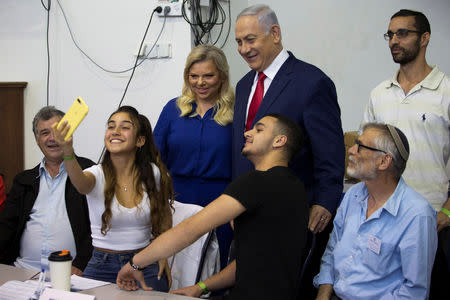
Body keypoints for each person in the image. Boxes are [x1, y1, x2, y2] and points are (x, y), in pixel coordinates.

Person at [116, 114, 309, 300]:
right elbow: (253, 262)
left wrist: (134, 264)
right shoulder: (297, 189)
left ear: (279, 141)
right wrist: (201, 287)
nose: (247, 133)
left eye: (259, 130)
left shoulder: (257, 182)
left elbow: (189, 229)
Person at [232, 4, 345, 296]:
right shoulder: (244, 85)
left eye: (251, 39)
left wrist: (325, 201)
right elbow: (241, 150)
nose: (244, 49)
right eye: (239, 42)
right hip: (247, 213)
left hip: (292, 215)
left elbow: (329, 152)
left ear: (275, 34)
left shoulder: (311, 82)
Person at [361, 9, 449, 298]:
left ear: (425, 38)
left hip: (433, 219)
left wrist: (447, 210)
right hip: (384, 220)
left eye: (402, 33)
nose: (393, 41)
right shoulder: (379, 94)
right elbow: (366, 156)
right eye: (390, 34)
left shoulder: (446, 91)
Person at [52, 105, 173, 291]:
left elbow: (164, 214)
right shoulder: (96, 173)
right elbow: (81, 184)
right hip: (102, 264)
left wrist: (163, 254)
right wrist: (67, 151)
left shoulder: (153, 172)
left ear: (140, 140)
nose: (115, 131)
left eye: (125, 127)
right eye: (111, 126)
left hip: (145, 261)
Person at [314, 123, 438, 300]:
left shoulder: (417, 215)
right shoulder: (353, 195)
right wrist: (323, 294)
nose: (351, 150)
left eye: (361, 146)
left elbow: (413, 293)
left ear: (384, 161)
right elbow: (332, 252)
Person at [154, 44, 234, 268]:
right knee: (177, 264)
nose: (200, 82)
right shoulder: (173, 109)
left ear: (222, 76)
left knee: (216, 264)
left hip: (222, 201)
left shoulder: (236, 111)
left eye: (208, 75)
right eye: (194, 76)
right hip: (177, 198)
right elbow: (155, 157)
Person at [0, 106, 94, 275]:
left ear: (69, 133)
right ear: (37, 139)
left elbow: (100, 226)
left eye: (57, 131)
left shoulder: (89, 172)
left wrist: (81, 264)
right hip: (23, 270)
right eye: (44, 133)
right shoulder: (23, 180)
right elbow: (6, 227)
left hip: (70, 273)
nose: (52, 138)